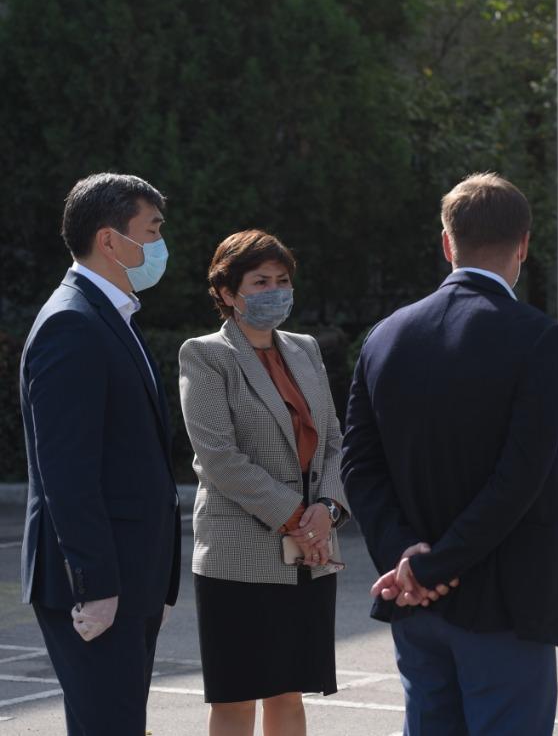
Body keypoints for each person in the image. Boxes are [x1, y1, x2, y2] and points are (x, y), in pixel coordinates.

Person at [341, 173, 558, 736]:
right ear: (523, 245)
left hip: (413, 600)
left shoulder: (386, 335)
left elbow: (358, 466)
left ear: (447, 243)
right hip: (503, 603)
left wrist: (406, 556)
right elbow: (520, 477)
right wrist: (435, 565)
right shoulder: (536, 336)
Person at [19, 173, 182, 734]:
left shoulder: (109, 314)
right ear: (110, 240)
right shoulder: (73, 322)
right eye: (152, 230)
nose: (160, 244)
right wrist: (96, 586)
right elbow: (66, 471)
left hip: (130, 577)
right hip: (97, 584)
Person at [178, 230, 350, 736]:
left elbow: (336, 441)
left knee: (290, 693)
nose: (275, 291)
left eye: (282, 280)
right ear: (227, 292)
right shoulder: (205, 355)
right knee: (236, 699)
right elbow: (219, 458)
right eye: (260, 282)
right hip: (240, 556)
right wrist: (298, 518)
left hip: (309, 554)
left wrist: (327, 510)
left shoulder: (305, 349)